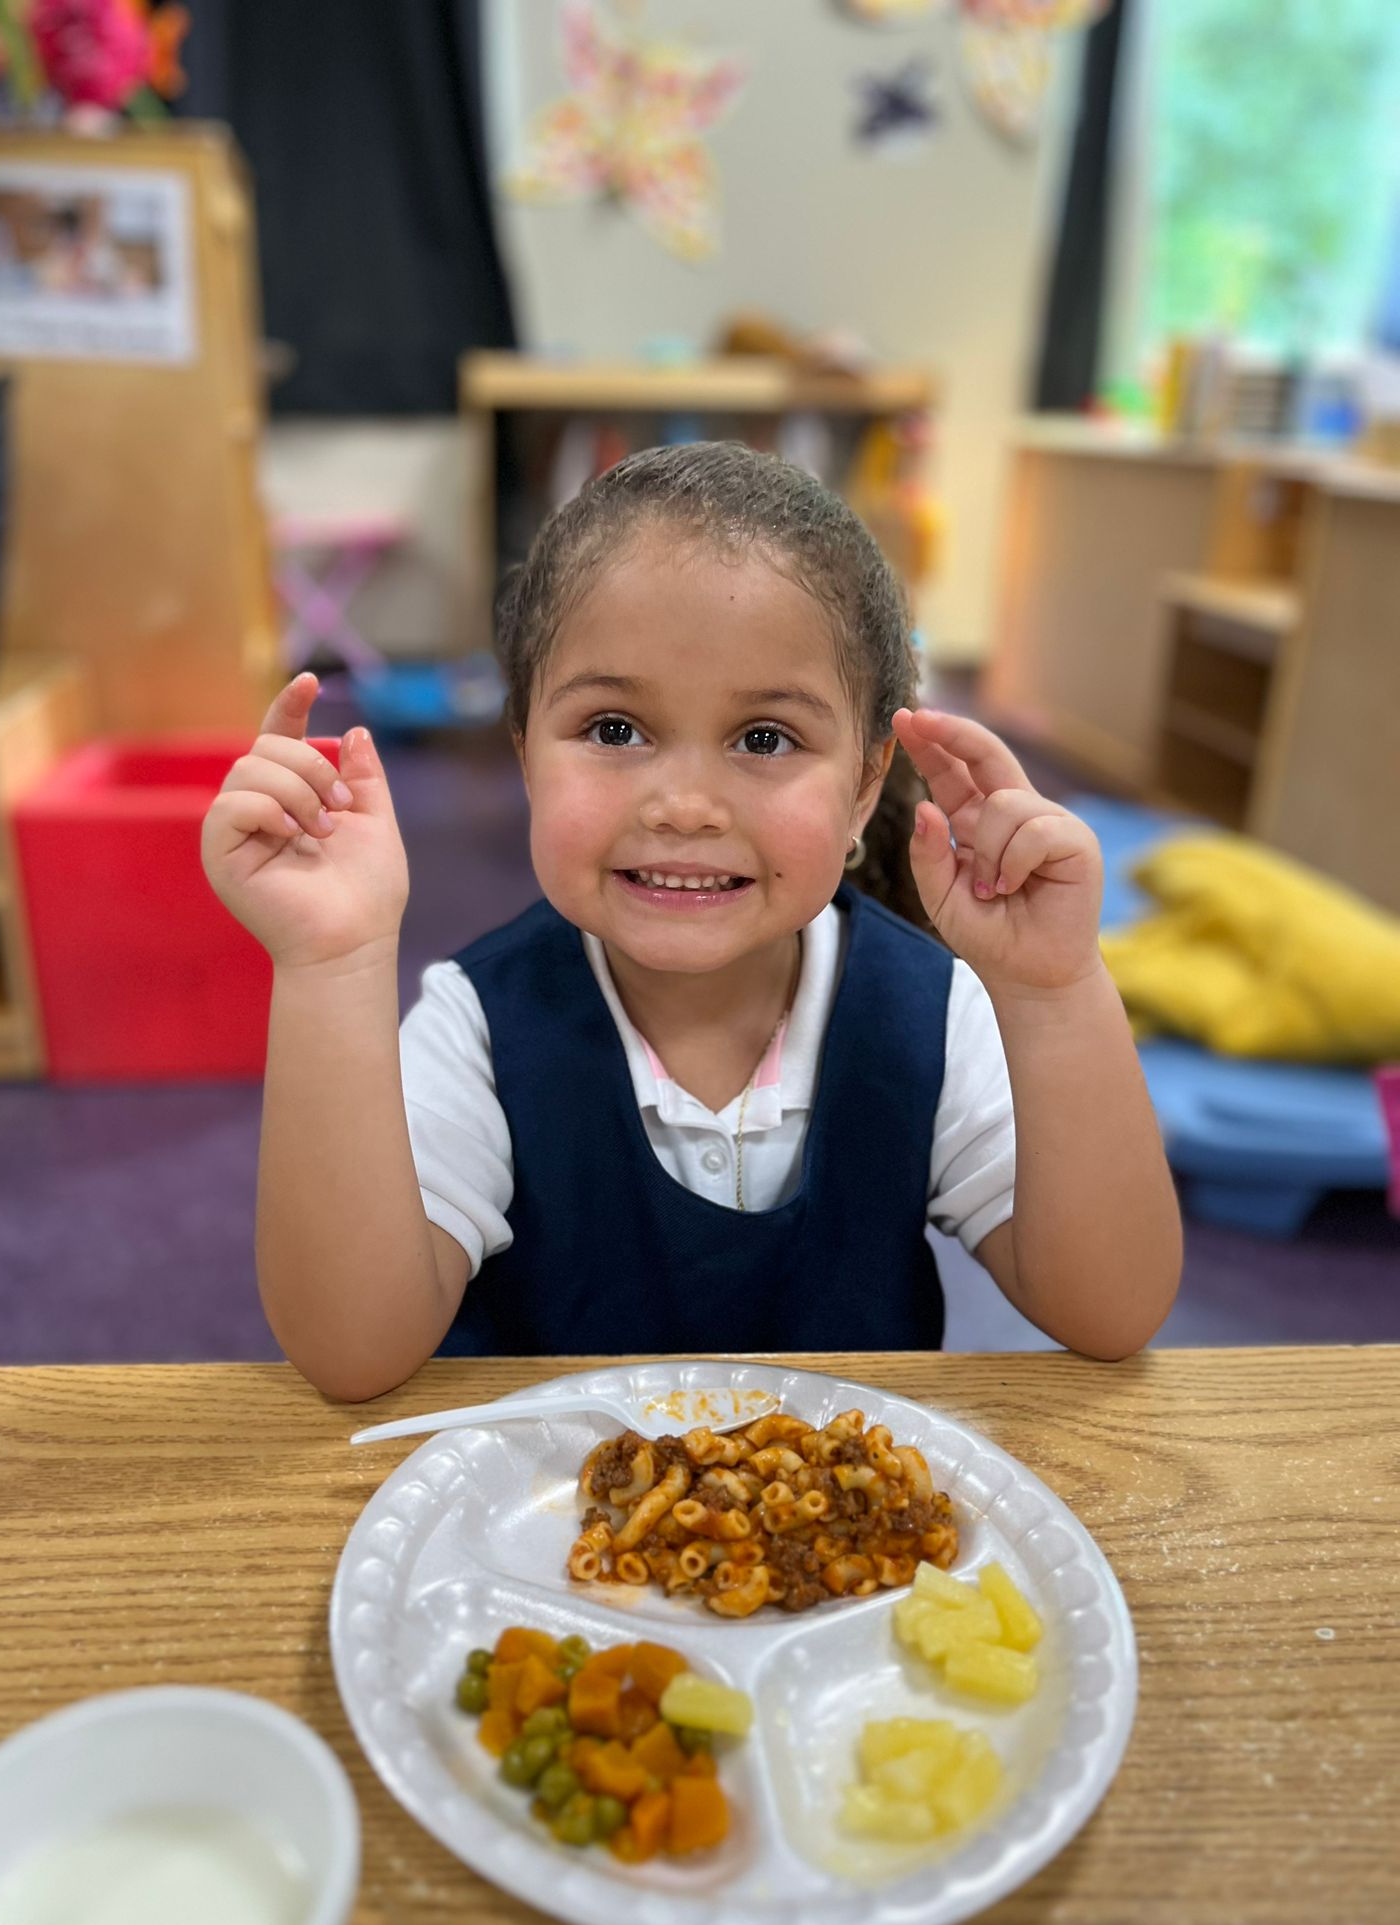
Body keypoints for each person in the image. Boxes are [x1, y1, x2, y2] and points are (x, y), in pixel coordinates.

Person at [203, 444, 1181, 1400]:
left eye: (765, 738)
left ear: (863, 786)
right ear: (525, 752)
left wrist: (1056, 990)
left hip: (847, 1554)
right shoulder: (481, 1023)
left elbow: (1111, 1308)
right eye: (614, 730)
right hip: (546, 1544)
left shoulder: (926, 1012)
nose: (683, 804)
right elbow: (350, 1351)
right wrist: (333, 962)